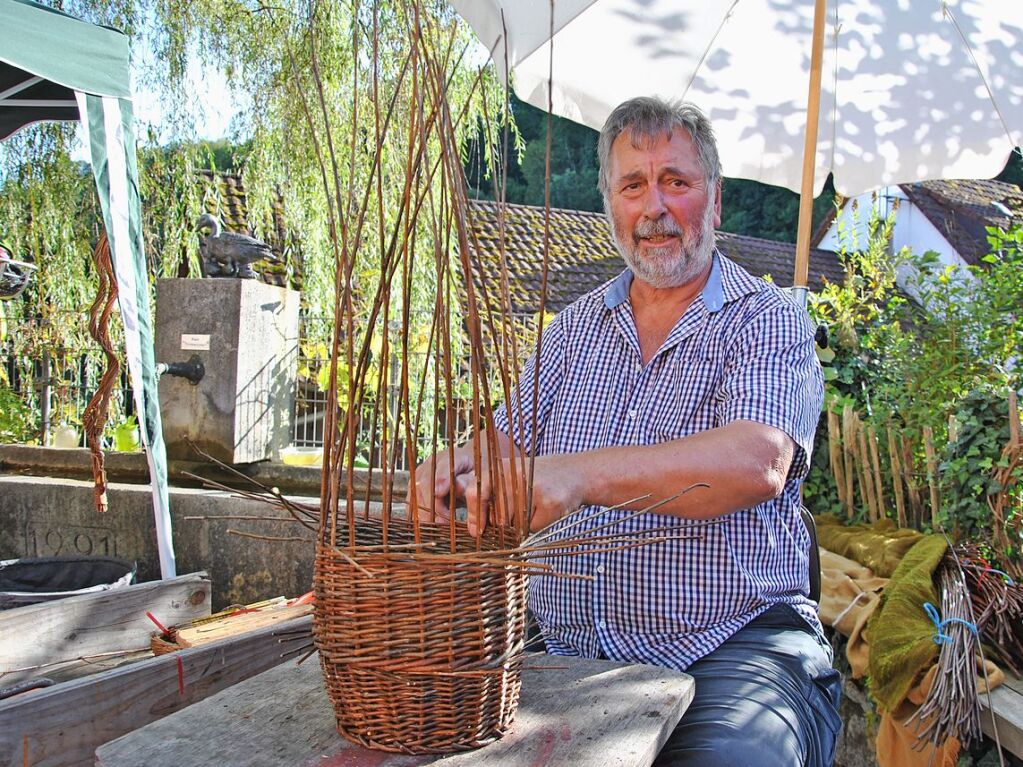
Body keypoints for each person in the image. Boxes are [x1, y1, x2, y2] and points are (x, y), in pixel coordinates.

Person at [409, 97, 842, 766]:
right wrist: (458, 464)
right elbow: (506, 442)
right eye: (632, 185)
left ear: (715, 201)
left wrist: (579, 475)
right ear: (609, 202)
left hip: (730, 650)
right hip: (564, 654)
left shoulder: (767, 320)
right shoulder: (574, 328)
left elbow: (758, 459)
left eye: (676, 181)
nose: (654, 208)